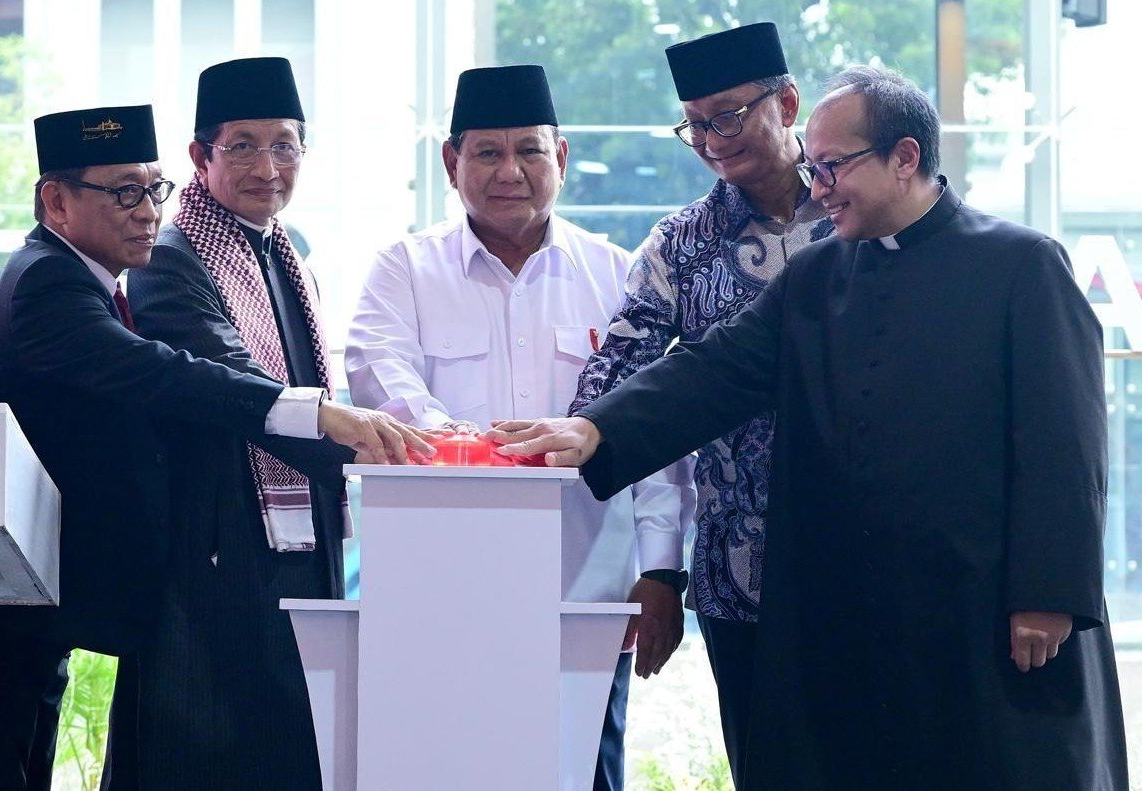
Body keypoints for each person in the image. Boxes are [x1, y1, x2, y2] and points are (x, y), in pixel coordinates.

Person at [488, 65, 1128, 789]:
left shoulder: (1023, 265)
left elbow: (1066, 446)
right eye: (814, 167)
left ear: (905, 157)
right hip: (859, 617)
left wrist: (1047, 591)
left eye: (831, 167)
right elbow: (714, 370)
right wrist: (598, 432)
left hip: (985, 617)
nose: (816, 187)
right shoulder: (818, 276)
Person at [0, 104, 429, 791]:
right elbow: (169, 375)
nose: (145, 210)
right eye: (121, 191)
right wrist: (324, 416)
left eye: (152, 188)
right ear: (56, 200)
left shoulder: (91, 281)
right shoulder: (48, 283)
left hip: (27, 593)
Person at [344, 64, 695, 791]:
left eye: (530, 151)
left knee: (586, 773)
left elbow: (654, 431)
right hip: (439, 595)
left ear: (560, 158)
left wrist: (660, 570)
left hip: (586, 597)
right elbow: (384, 380)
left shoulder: (617, 274)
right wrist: (473, 449)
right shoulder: (403, 270)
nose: (511, 171)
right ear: (452, 162)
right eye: (488, 152)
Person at [565, 22, 831, 786]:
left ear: (786, 102)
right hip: (739, 571)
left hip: (867, 550)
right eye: (695, 123)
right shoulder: (680, 245)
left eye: (729, 115)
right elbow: (612, 382)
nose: (712, 140)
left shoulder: (862, 214)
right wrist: (574, 431)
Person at [105, 57, 376, 790]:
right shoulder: (169, 254)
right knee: (205, 747)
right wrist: (361, 450)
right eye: (244, 145)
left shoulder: (289, 251)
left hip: (296, 539)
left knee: (290, 745)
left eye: (285, 144)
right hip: (212, 549)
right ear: (201, 155)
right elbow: (236, 383)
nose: (268, 166)